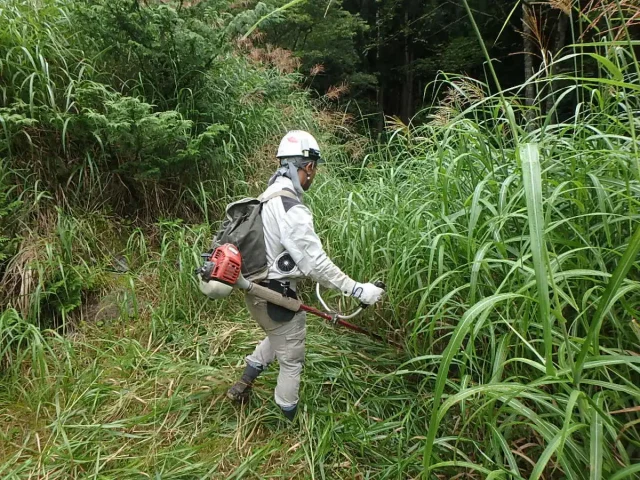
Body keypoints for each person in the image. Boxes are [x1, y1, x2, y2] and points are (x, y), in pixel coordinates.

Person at [226, 130, 385, 420]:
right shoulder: (290, 206)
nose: (314, 175)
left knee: (278, 337)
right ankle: (286, 425)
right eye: (315, 169)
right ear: (308, 166)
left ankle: (244, 382)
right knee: (292, 361)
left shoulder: (269, 195)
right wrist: (358, 290)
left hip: (257, 291)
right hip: (275, 297)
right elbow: (316, 264)